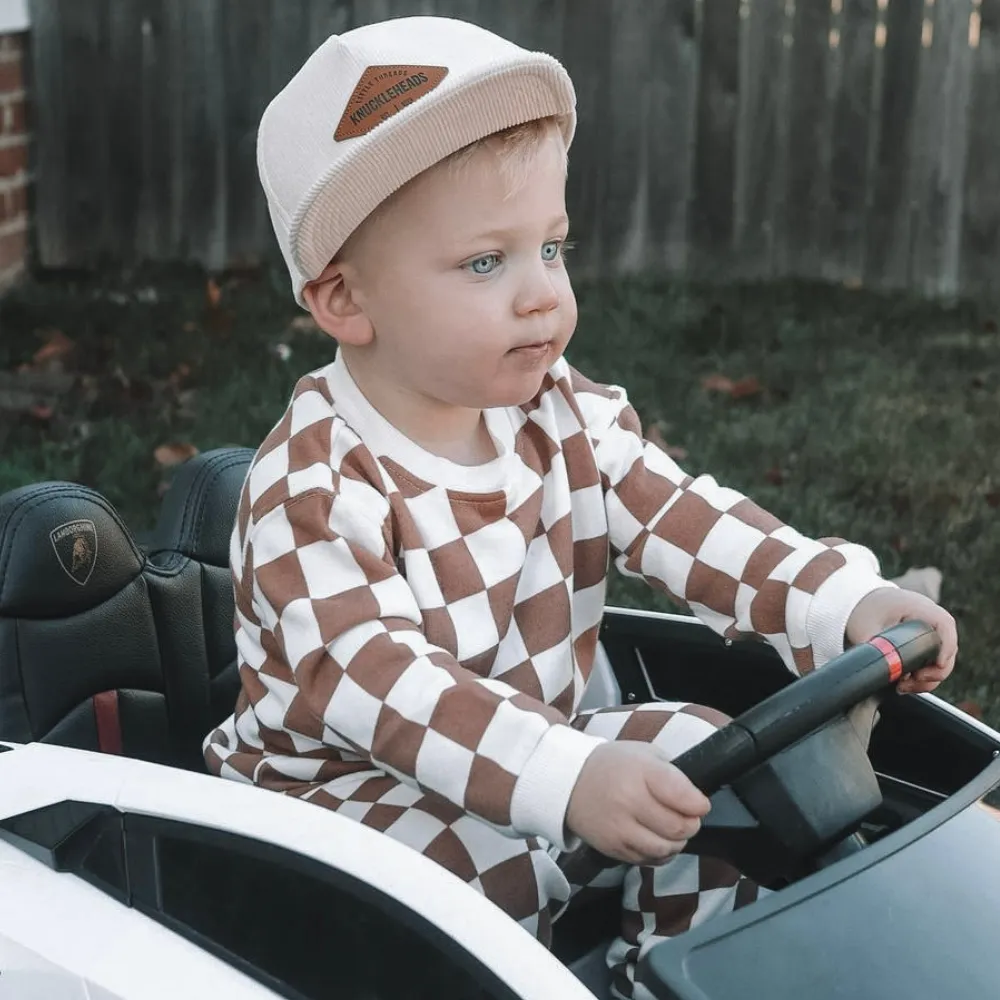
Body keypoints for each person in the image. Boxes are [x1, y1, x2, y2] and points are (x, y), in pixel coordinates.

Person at [204, 16, 958, 998]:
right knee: (482, 874)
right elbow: (387, 689)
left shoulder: (559, 412)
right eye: (486, 263)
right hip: (334, 814)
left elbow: (687, 517)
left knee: (703, 765)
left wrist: (837, 601)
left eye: (551, 248)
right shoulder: (311, 489)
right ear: (346, 300)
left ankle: (664, 974)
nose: (540, 297)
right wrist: (562, 777)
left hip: (526, 759)